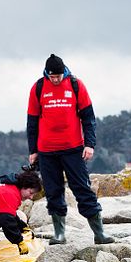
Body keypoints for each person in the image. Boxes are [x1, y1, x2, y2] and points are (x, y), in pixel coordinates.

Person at [26, 53, 114, 245]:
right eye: (52, 76)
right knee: (53, 191)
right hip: (47, 151)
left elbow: (89, 118)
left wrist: (89, 144)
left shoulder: (76, 85)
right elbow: (32, 122)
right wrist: (33, 150)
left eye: (58, 76)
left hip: (73, 148)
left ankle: (99, 234)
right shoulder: (38, 87)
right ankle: (59, 234)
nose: (55, 79)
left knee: (82, 189)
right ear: (47, 74)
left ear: (63, 72)